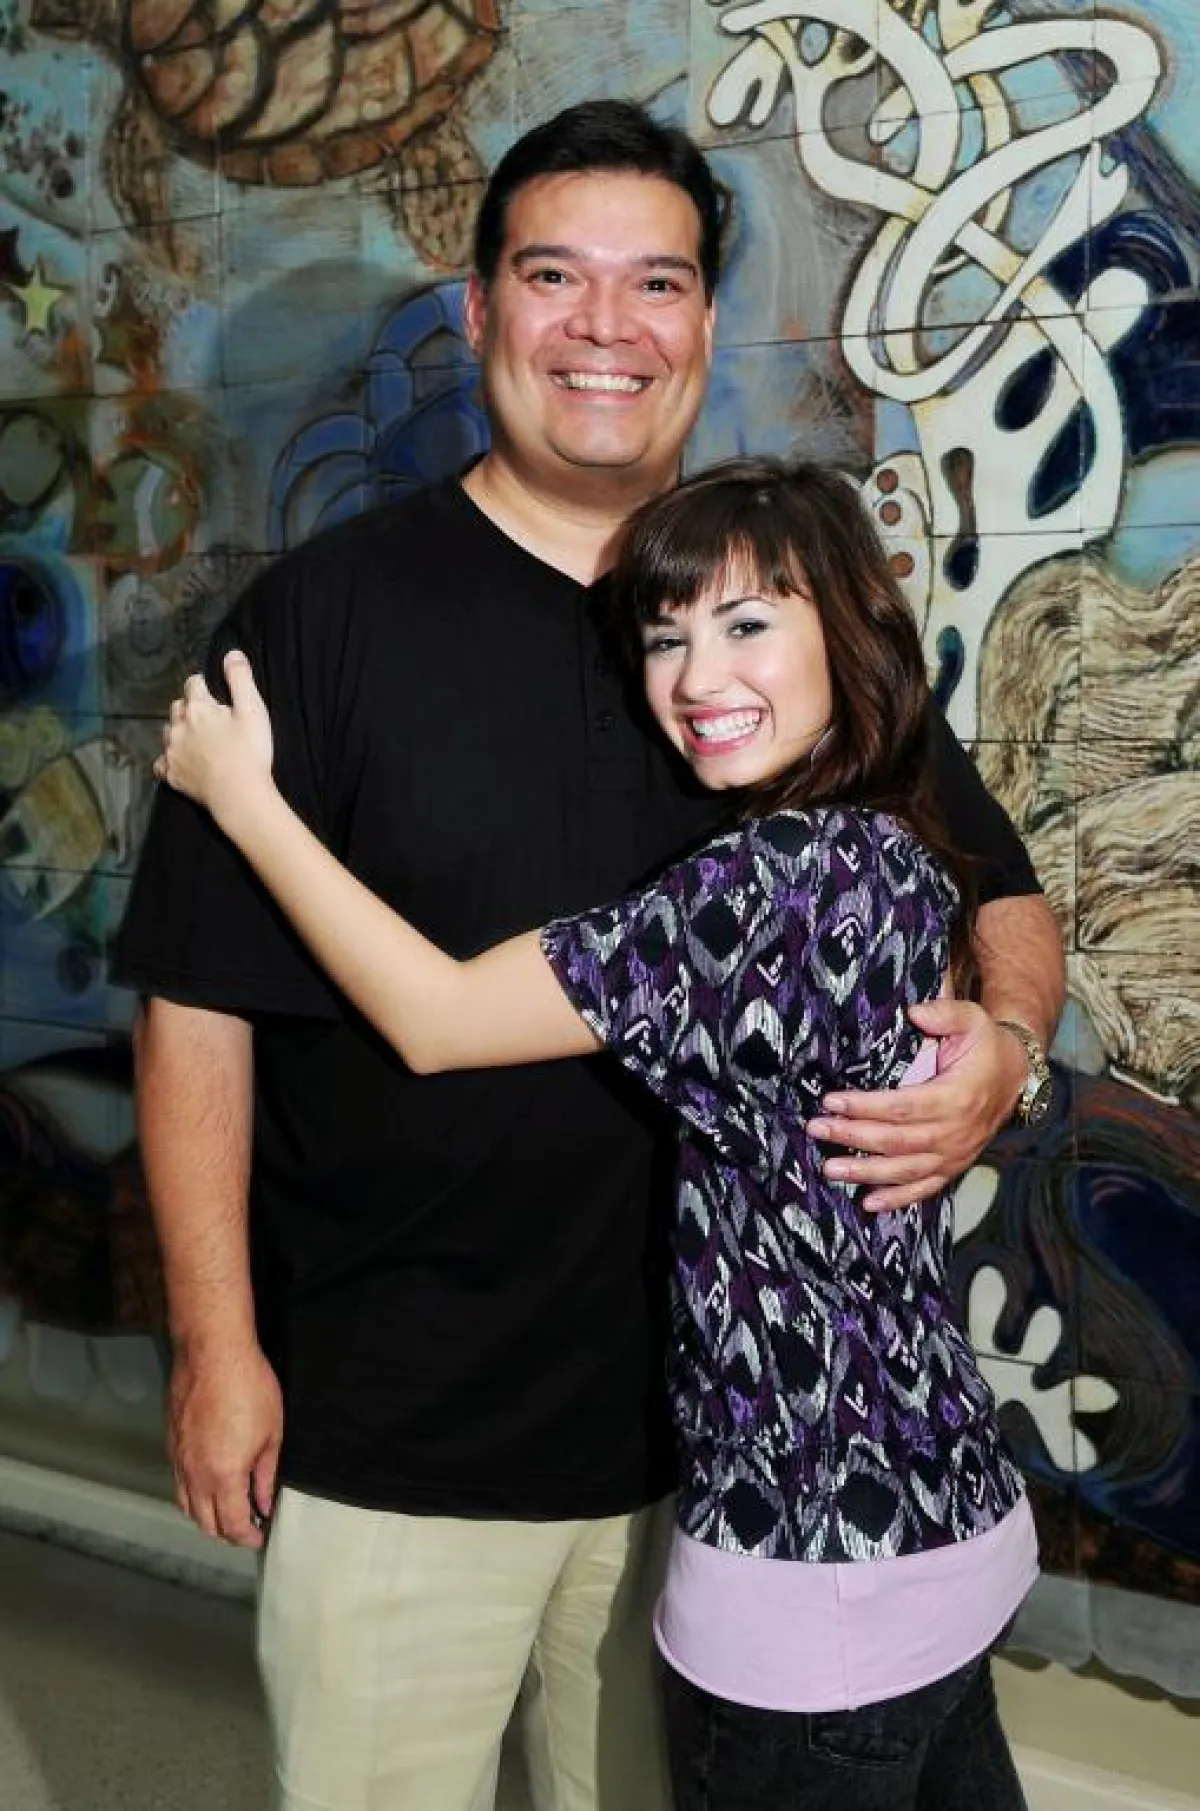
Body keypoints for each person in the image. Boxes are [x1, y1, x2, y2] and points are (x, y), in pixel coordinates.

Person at [112, 101, 1063, 1811]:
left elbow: (1000, 889)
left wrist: (1005, 1044)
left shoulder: (784, 621)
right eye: (556, 276)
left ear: (707, 320)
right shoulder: (323, 620)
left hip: (709, 1467)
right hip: (404, 1431)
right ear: (481, 307)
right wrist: (215, 1342)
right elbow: (197, 1002)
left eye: (659, 282)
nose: (606, 326)